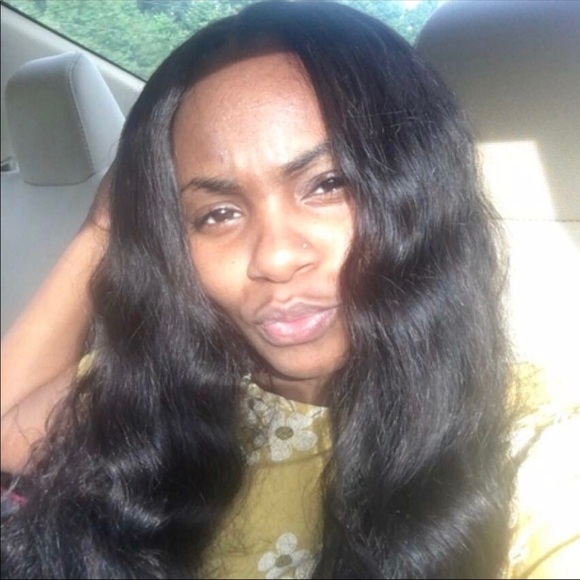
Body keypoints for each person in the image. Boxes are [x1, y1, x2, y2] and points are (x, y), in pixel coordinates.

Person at [1, 2, 577, 578]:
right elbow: (9, 428)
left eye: (328, 184)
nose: (275, 259)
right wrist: (110, 220)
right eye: (217, 214)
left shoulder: (535, 444)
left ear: (419, 192)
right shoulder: (178, 383)